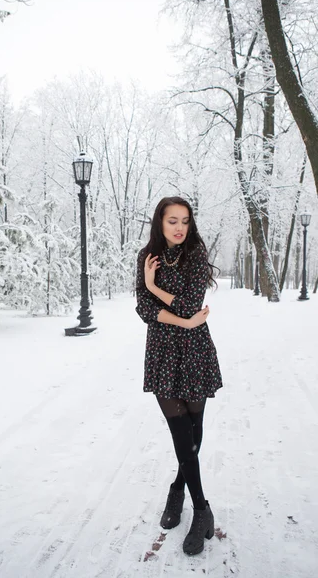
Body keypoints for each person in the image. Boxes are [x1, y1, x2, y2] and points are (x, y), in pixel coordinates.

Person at [135, 196, 223, 556]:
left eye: (185, 220)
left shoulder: (196, 255)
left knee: (192, 429)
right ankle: (201, 508)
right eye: (172, 220)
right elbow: (143, 308)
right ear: (160, 222)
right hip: (162, 352)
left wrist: (155, 288)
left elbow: (187, 304)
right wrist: (183, 319)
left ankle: (178, 489)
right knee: (179, 429)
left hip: (195, 352)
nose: (179, 227)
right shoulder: (148, 257)